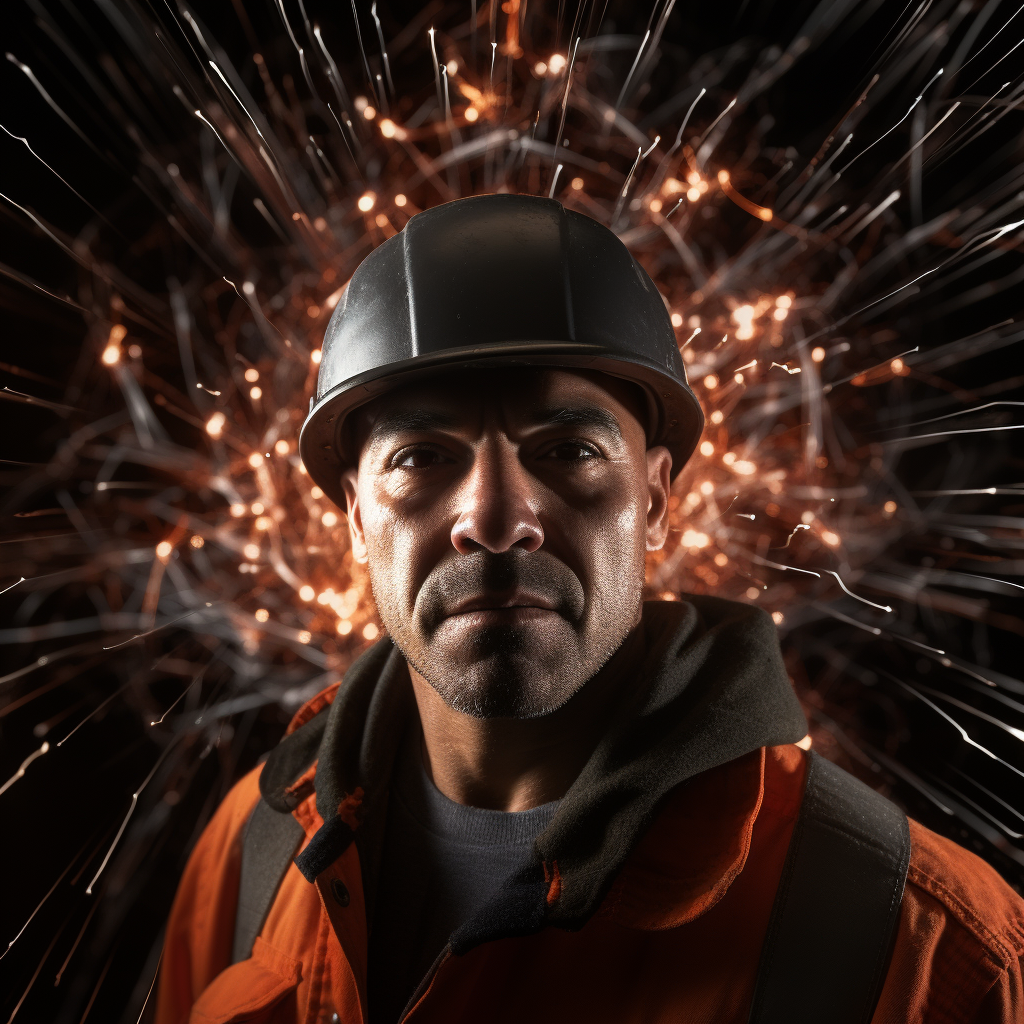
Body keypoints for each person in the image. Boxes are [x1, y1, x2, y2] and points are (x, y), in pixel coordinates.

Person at [155, 194, 1024, 1024]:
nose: (495, 522)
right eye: (422, 457)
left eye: (569, 449)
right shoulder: (251, 857)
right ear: (353, 514)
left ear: (653, 500)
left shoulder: (923, 949)